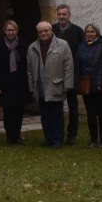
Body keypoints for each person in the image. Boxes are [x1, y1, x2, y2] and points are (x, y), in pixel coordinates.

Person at [28, 20, 73, 149]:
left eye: (46, 30)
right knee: (45, 115)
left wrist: (68, 84)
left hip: (56, 86)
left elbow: (69, 66)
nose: (43, 33)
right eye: (40, 31)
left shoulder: (62, 45)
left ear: (51, 30)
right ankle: (48, 138)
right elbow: (29, 69)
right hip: (40, 87)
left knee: (57, 115)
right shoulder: (32, 47)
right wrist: (31, 86)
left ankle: (58, 139)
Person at [0, 19, 30, 145]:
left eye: (13, 30)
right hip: (5, 84)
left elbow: (26, 64)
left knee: (19, 112)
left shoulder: (23, 44)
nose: (10, 32)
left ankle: (17, 137)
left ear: (16, 31)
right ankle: (9, 137)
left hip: (19, 83)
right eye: (8, 30)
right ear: (4, 31)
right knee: (8, 112)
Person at [53, 3, 84, 145]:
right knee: (56, 106)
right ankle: (57, 133)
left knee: (72, 106)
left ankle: (72, 134)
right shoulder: (52, 30)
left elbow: (81, 53)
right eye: (59, 14)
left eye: (64, 14)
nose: (61, 17)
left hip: (72, 74)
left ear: (69, 15)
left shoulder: (77, 31)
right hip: (56, 74)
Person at [76, 23, 102, 147]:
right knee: (91, 113)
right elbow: (78, 65)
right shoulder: (81, 47)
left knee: (101, 114)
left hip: (99, 85)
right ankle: (93, 139)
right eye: (87, 32)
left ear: (97, 33)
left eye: (92, 31)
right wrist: (78, 81)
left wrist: (100, 82)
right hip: (86, 84)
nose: (90, 34)